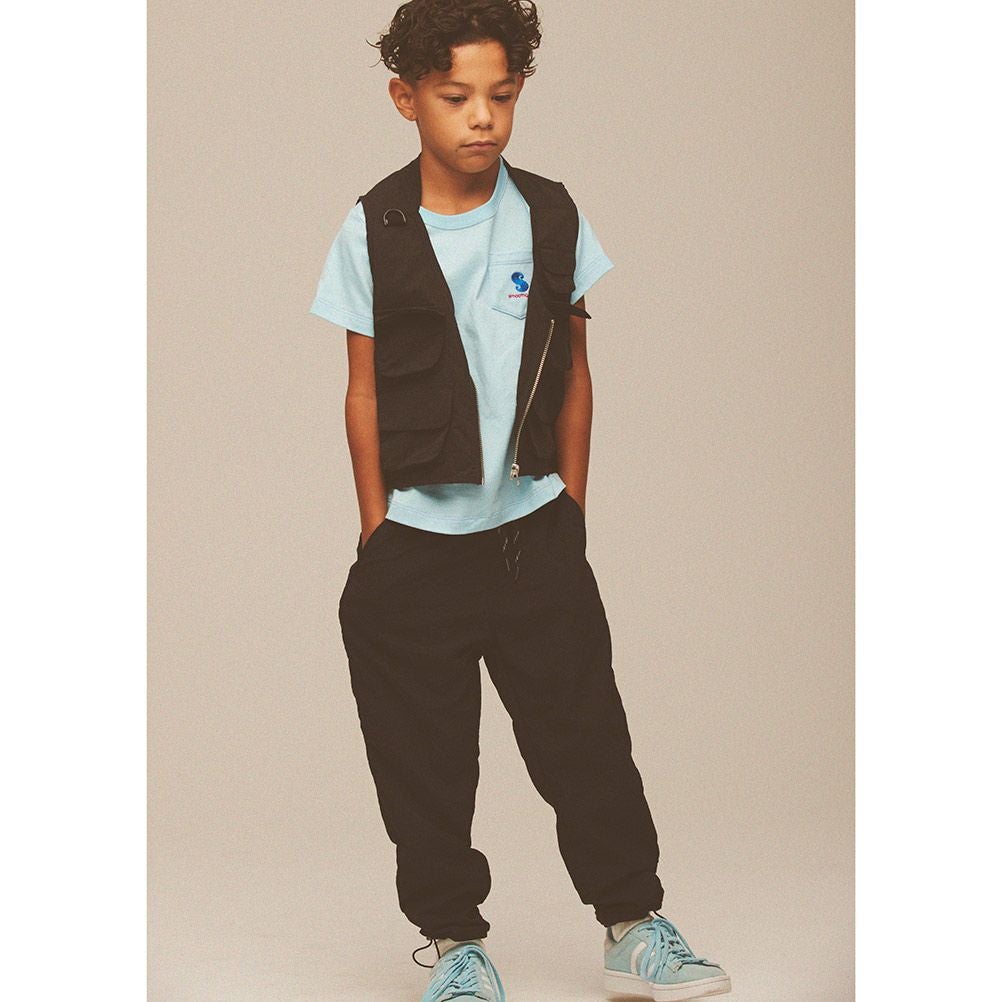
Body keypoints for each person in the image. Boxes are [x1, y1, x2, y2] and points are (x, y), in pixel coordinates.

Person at [309, 2, 731, 999]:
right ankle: (456, 947)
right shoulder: (372, 226)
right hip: (417, 548)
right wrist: (376, 528)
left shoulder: (551, 214)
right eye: (456, 96)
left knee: (587, 741)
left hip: (533, 537)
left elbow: (575, 369)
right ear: (406, 98)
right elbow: (362, 390)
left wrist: (569, 505)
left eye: (500, 95)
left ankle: (633, 926)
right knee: (424, 762)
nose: (482, 117)